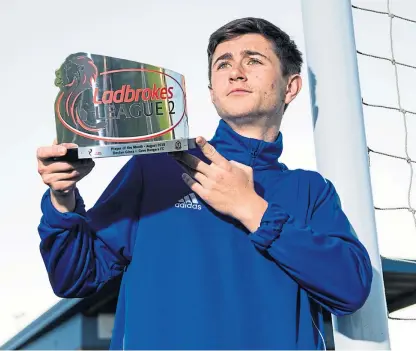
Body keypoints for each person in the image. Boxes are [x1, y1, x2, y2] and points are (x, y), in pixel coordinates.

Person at [36, 17, 373, 350]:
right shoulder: (157, 166)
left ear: (291, 86)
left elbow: (350, 291)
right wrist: (62, 199)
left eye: (253, 60)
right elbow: (74, 276)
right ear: (212, 92)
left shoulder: (310, 191)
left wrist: (253, 209)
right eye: (222, 64)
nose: (236, 72)